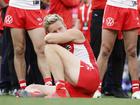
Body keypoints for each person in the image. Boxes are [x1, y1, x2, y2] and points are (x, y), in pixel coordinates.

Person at [17, 14, 100, 98]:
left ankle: (60, 91)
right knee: (30, 87)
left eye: (60, 28)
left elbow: (47, 39)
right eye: (54, 31)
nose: (58, 32)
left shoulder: (74, 33)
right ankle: (37, 94)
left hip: (90, 76)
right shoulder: (57, 47)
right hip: (77, 87)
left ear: (65, 26)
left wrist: (50, 35)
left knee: (49, 48)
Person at [93, 0, 140, 99]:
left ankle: (136, 90)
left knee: (132, 51)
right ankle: (96, 88)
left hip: (131, 7)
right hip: (113, 5)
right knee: (105, 50)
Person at [4, 0, 51, 90]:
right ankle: (22, 87)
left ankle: (49, 85)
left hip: (34, 8)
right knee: (19, 50)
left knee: (41, 49)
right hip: (16, 7)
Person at [90, 0, 128, 98]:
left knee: (119, 52)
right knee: (98, 50)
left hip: (119, 9)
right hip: (100, 10)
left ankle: (116, 87)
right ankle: (94, 86)